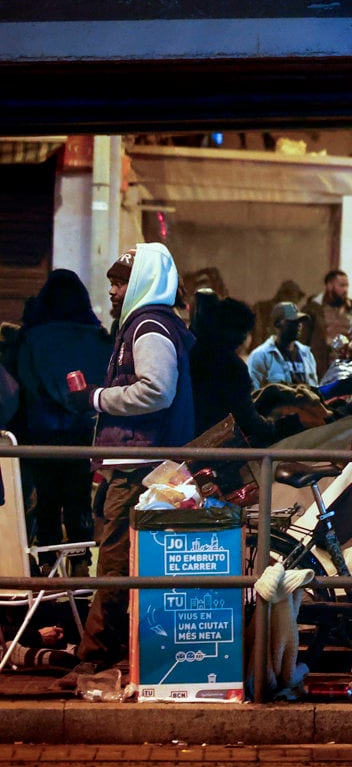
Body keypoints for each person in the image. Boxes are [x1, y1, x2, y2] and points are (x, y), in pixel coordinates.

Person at [71, 243, 197, 673]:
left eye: (120, 281)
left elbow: (156, 390)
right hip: (140, 462)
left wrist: (97, 398)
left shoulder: (147, 327)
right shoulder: (151, 325)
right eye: (111, 281)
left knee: (113, 565)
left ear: (142, 282)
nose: (111, 290)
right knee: (128, 564)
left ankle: (94, 660)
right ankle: (123, 656)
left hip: (136, 466)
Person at [13, 269, 111, 551]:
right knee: (78, 497)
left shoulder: (32, 338)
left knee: (45, 499)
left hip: (40, 432)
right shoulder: (96, 337)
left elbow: (24, 385)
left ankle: (48, 567)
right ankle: (79, 566)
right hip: (80, 431)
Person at [190, 297, 275, 445]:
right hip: (218, 445)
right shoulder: (232, 366)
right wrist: (274, 426)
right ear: (241, 334)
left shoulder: (193, 351)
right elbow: (246, 418)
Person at [247, 302, 318, 392]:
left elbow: (314, 388)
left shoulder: (307, 354)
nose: (299, 325)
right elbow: (253, 394)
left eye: (300, 321)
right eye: (292, 322)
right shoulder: (261, 356)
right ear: (277, 324)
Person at [302, 269, 352, 377]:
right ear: (330, 286)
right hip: (322, 368)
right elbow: (303, 341)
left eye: (346, 286)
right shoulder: (313, 310)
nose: (345, 290)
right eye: (341, 285)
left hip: (347, 369)